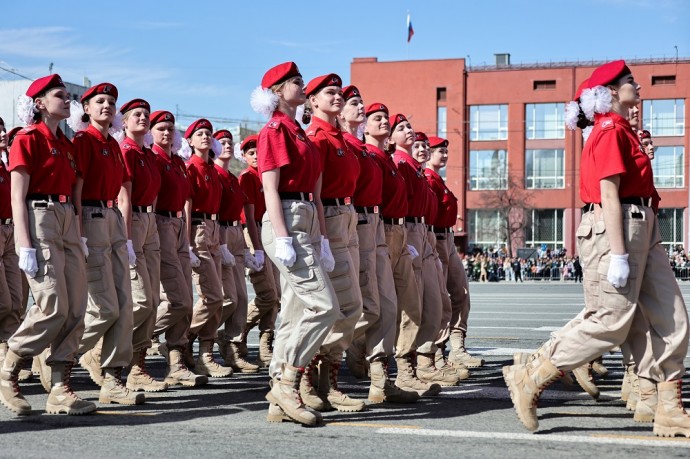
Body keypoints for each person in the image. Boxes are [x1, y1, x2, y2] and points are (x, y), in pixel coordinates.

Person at [504, 60, 690, 437]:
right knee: (611, 320)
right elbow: (608, 192)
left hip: (642, 224)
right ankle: (532, 373)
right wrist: (619, 254)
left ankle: (669, 407)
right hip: (617, 225)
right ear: (609, 93)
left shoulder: (622, 130)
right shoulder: (609, 130)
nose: (637, 86)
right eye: (630, 82)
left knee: (673, 317)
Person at [0, 74, 96, 415]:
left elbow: (74, 194)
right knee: (52, 302)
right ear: (40, 103)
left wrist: (80, 235)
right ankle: (9, 368)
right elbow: (16, 196)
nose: (66, 99)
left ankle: (60, 387)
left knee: (75, 307)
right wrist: (25, 245)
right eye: (60, 95)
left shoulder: (67, 146)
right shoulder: (27, 139)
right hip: (39, 216)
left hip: (67, 218)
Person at [251, 61, 339, 426]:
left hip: (304, 218)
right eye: (296, 82)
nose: (303, 86)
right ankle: (288, 382)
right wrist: (284, 237)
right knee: (324, 307)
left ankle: (278, 399)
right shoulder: (274, 130)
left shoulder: (298, 132)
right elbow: (270, 188)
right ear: (276, 92)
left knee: (295, 312)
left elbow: (314, 192)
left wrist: (322, 239)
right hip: (285, 218)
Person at [339, 87, 418, 404]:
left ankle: (379, 381)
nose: (360, 107)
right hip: (353, 225)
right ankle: (318, 362)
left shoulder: (366, 150)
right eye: (354, 103)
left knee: (386, 307)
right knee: (361, 307)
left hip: (377, 227)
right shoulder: (344, 145)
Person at [71, 85, 145, 405]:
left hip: (112, 217)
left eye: (111, 102)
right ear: (86, 108)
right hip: (90, 217)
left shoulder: (113, 145)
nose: (107, 106)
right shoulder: (83, 141)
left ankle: (114, 379)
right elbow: (76, 188)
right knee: (104, 307)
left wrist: (125, 238)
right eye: (100, 101)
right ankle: (57, 354)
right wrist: (78, 233)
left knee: (124, 306)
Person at [364, 104, 439, 397]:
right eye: (402, 127)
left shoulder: (397, 163)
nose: (408, 131)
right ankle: (362, 364)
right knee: (379, 306)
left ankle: (404, 371)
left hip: (404, 231)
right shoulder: (391, 161)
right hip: (385, 229)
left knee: (411, 304)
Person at [302, 74, 365, 412]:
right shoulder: (317, 138)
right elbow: (314, 191)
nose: (337, 97)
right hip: (329, 218)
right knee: (336, 305)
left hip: (347, 215)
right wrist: (323, 236)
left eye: (339, 92)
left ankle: (330, 375)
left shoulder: (339, 137)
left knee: (351, 304)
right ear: (312, 101)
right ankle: (311, 377)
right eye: (329, 93)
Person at [392, 117, 452, 388]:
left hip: (423, 232)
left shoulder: (414, 169)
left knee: (437, 300)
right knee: (411, 304)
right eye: (403, 129)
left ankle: (426, 359)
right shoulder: (400, 164)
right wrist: (406, 237)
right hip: (409, 230)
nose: (412, 136)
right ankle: (407, 365)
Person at [149, 110, 207, 387]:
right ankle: (136, 339)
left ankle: (176, 363)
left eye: (170, 128)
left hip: (178, 227)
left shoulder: (176, 162)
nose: (166, 132)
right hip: (158, 223)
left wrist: (186, 238)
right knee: (177, 300)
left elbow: (185, 199)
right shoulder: (153, 159)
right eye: (160, 128)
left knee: (186, 302)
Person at [117, 98, 166, 393]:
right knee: (141, 301)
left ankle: (138, 366)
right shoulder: (126, 151)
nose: (143, 118)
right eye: (136, 114)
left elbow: (154, 194)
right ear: (124, 121)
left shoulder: (145, 153)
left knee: (153, 301)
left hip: (150, 222)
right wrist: (127, 239)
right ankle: (103, 352)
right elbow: (125, 198)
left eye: (146, 114)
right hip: (132, 221)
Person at [425, 135, 482, 371]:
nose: (445, 155)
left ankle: (457, 347)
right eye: (440, 151)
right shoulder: (429, 179)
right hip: (435, 238)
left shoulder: (439, 179)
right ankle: (438, 351)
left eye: (446, 151)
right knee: (440, 298)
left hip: (446, 237)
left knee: (461, 291)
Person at [185, 118, 233, 379]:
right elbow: (187, 207)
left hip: (215, 230)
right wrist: (188, 242)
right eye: (199, 134)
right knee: (212, 295)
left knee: (220, 297)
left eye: (208, 134)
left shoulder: (212, 169)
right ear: (190, 141)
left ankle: (205, 355)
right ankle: (184, 339)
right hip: (199, 230)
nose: (205, 137)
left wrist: (223, 242)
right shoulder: (191, 167)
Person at [212, 129, 259, 374]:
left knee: (240, 299)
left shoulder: (231, 177)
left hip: (235, 234)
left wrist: (246, 248)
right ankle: (192, 340)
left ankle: (232, 349)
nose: (227, 145)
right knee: (225, 298)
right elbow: (213, 212)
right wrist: (221, 244)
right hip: (219, 234)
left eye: (230, 142)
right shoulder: (216, 175)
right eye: (222, 142)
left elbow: (240, 216)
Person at [239, 134, 279, 368]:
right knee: (268, 294)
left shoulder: (267, 176)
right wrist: (257, 248)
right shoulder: (247, 178)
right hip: (254, 232)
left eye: (259, 152)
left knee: (277, 297)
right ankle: (237, 331)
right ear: (244, 157)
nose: (256, 156)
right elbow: (251, 217)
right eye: (251, 153)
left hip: (269, 232)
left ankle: (265, 344)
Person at [0, 119, 23, 381]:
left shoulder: (5, 167)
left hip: (10, 231)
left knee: (16, 302)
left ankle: (9, 358)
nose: (3, 134)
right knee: (3, 302)